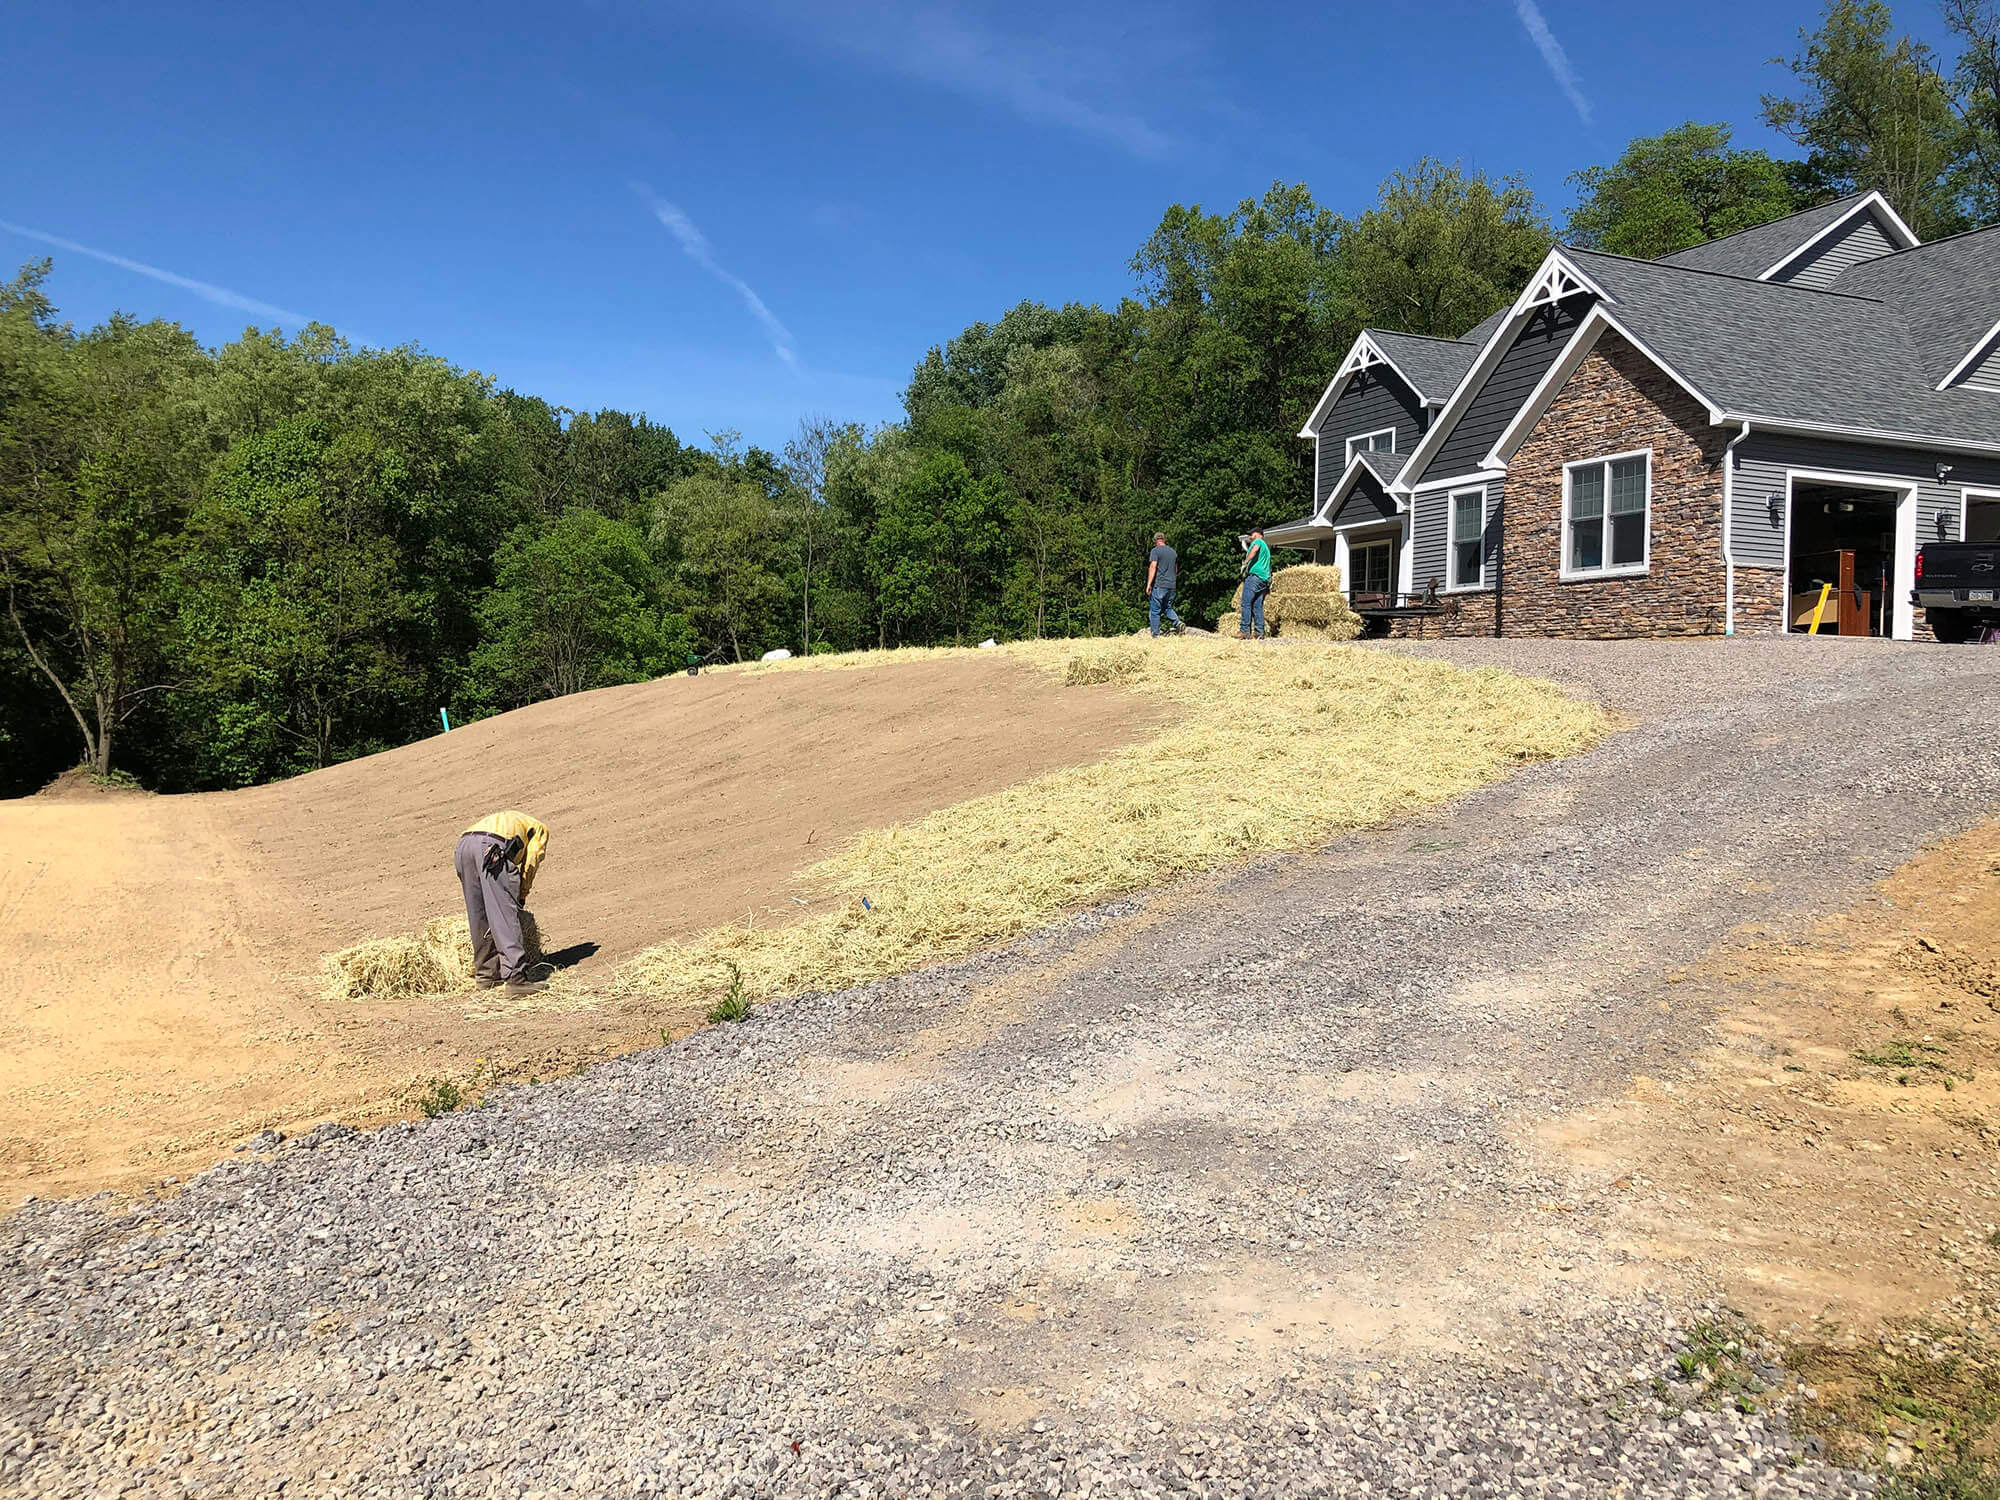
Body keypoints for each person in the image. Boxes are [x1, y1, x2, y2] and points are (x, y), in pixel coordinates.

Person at [455, 811, 551, 993]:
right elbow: (531, 861)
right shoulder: (540, 829)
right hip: (492, 848)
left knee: (479, 915)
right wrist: (522, 895)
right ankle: (516, 978)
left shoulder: (510, 819)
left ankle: (486, 976)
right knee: (503, 914)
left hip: (463, 847)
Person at [1144, 532, 1183, 637]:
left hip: (1160, 585)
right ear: (1164, 540)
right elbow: (1176, 569)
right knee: (1167, 607)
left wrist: (1149, 584)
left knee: (1155, 610)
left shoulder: (1155, 551)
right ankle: (1177, 623)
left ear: (1155, 541)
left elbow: (1153, 566)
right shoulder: (1173, 552)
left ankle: (1155, 634)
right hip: (1172, 585)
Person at [1238, 527, 1273, 640]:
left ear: (1258, 534)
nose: (1250, 537)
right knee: (1257, 606)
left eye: (1251, 534)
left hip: (1254, 577)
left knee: (1246, 603)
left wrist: (1245, 562)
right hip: (1263, 579)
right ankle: (1259, 632)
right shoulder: (1266, 548)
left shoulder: (1258, 542)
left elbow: (1254, 550)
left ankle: (1244, 631)